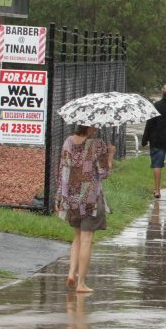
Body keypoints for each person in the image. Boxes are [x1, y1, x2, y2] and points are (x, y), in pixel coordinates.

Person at [56, 125, 115, 293]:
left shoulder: (67, 141)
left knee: (77, 236)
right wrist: (110, 154)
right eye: (93, 127)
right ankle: (81, 283)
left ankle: (71, 272)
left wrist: (59, 195)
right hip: (90, 198)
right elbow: (103, 173)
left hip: (71, 197)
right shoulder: (98, 145)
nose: (96, 129)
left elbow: (62, 169)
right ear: (89, 127)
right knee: (87, 239)